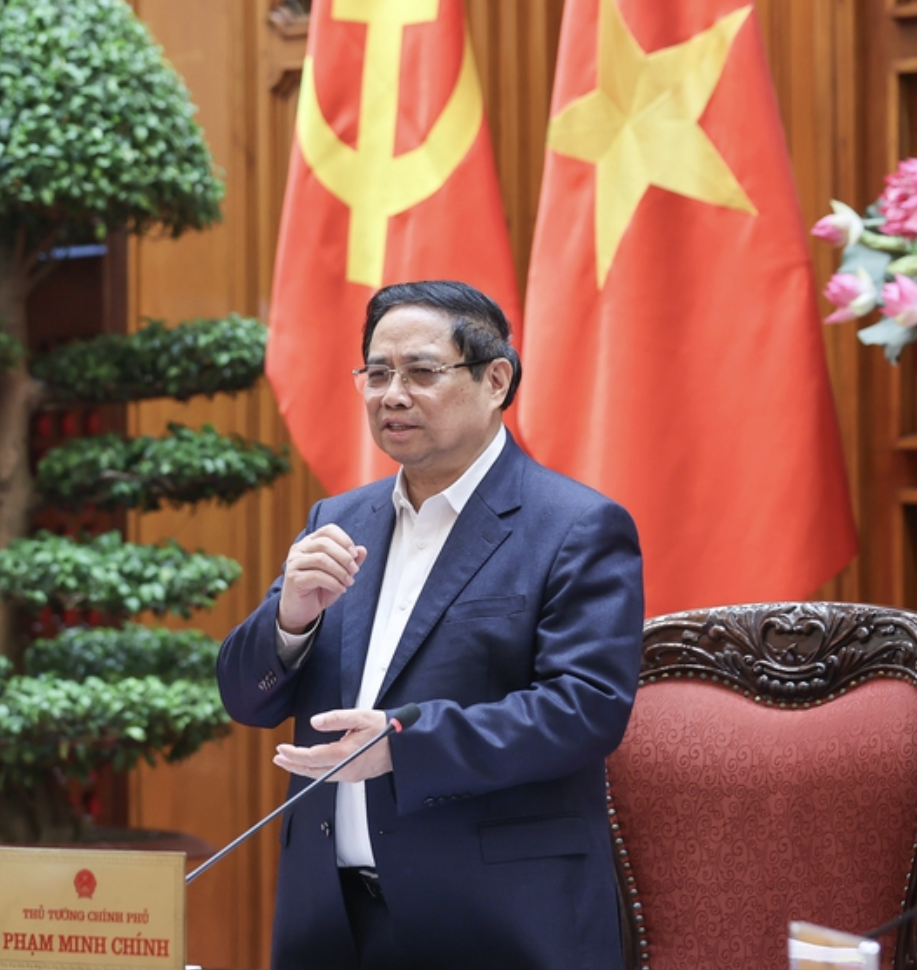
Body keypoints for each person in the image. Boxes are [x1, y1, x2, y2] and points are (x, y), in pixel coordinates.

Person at [216, 279, 644, 970]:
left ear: (495, 380)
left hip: (495, 926)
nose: (392, 395)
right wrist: (289, 619)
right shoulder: (337, 521)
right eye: (377, 373)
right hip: (330, 921)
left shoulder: (575, 527)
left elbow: (585, 710)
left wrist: (405, 745)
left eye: (420, 372)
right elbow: (246, 699)